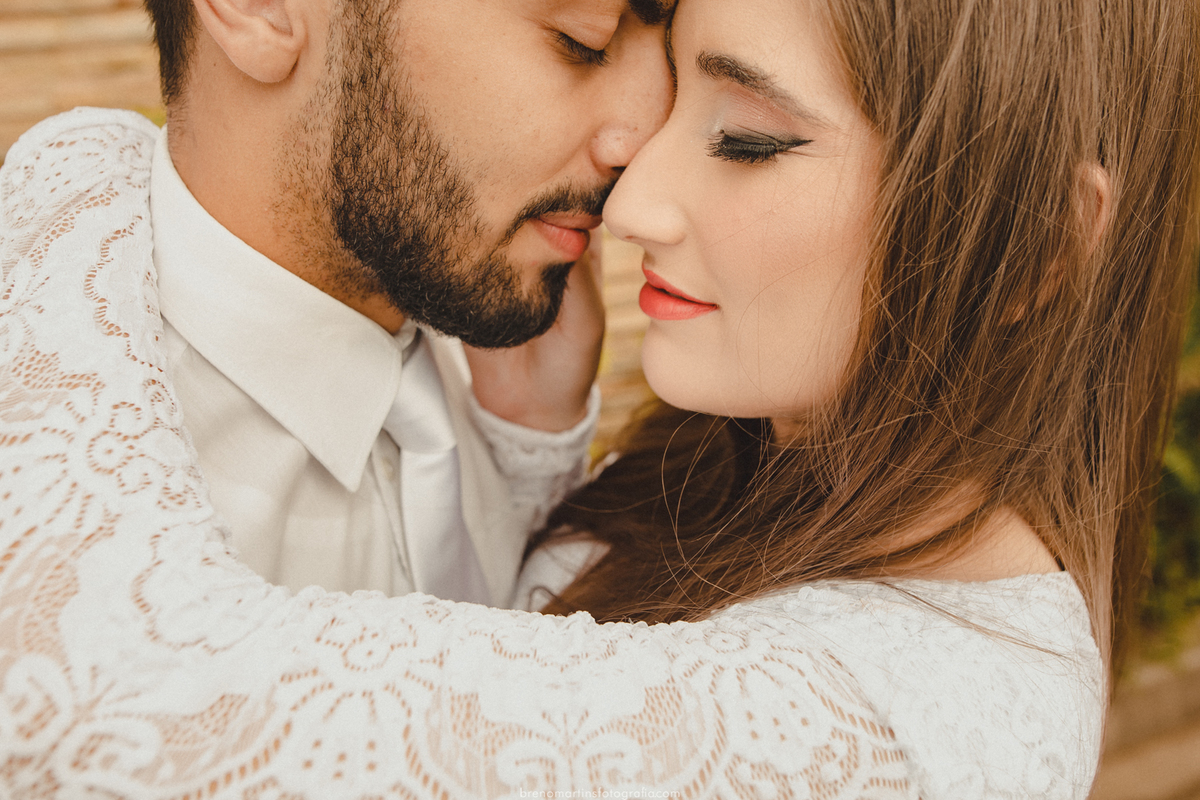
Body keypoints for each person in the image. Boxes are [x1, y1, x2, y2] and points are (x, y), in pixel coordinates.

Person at [0, 0, 1195, 798]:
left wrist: (77, 164)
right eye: (582, 37)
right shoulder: (734, 481)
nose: (630, 190)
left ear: (1036, 241)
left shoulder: (904, 723)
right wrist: (529, 451)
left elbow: (86, 699)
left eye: (748, 138)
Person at [53, 0, 673, 604]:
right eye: (582, 41)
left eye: (671, 57)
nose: (646, 149)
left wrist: (528, 451)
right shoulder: (76, 536)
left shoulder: (493, 370)